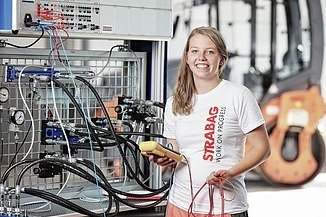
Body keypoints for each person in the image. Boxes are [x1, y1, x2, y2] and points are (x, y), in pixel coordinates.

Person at [148, 26, 271, 217]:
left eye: (210, 52)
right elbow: (177, 153)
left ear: (221, 59)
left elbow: (263, 149)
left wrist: (230, 173)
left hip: (225, 206)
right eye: (195, 51)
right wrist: (165, 158)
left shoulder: (238, 96)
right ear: (187, 58)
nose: (202, 57)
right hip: (180, 204)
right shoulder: (174, 103)